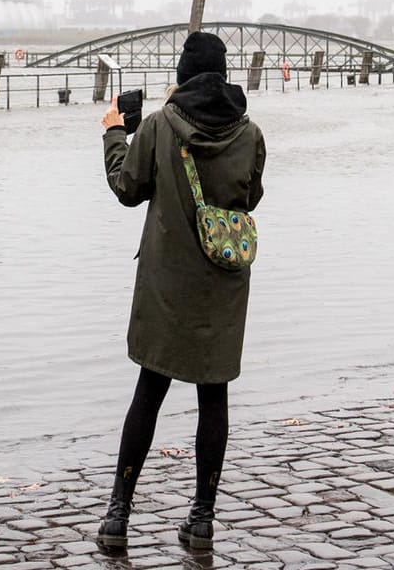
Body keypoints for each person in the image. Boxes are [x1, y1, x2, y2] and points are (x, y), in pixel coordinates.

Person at [96, 30, 267, 553]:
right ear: (224, 75)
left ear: (181, 76)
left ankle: (118, 517)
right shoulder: (251, 133)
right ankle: (202, 518)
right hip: (222, 286)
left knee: (149, 391)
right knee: (214, 397)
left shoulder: (160, 125)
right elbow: (250, 198)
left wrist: (112, 133)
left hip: (167, 284)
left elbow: (127, 188)